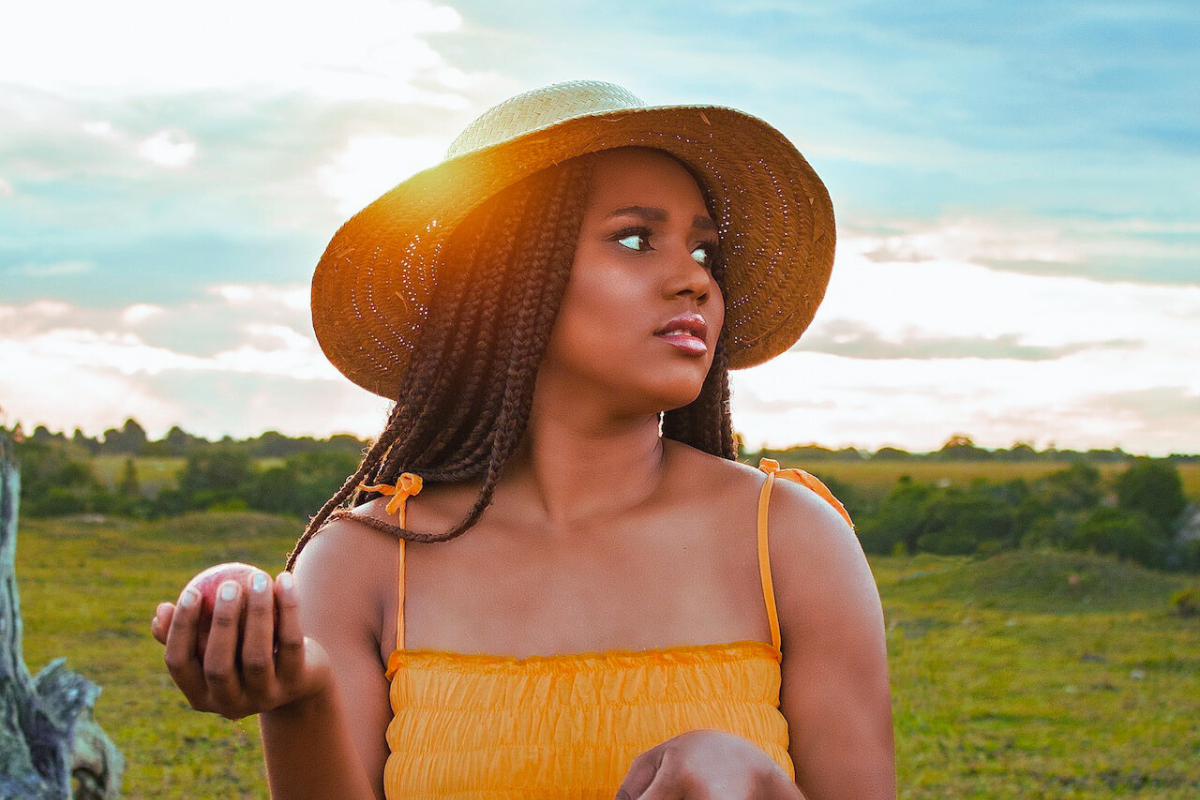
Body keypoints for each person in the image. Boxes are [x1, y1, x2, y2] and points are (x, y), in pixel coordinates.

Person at [152, 80, 895, 800]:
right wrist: (299, 699)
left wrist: (754, 783)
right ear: (508, 278)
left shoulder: (790, 542)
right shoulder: (363, 565)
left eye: (702, 252)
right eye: (636, 239)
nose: (692, 281)